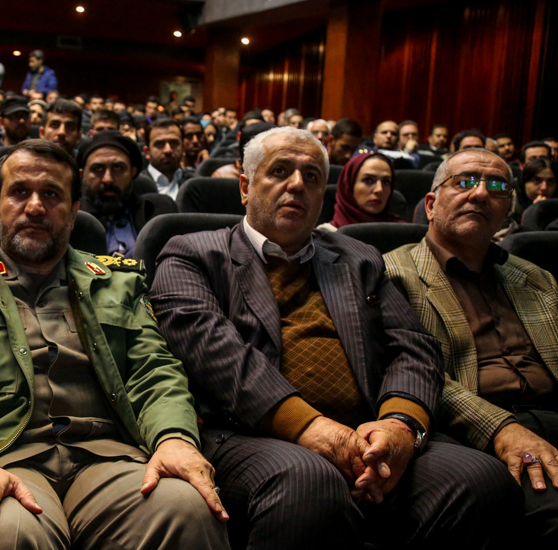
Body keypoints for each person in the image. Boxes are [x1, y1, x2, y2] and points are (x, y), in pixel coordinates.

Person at [150, 126, 522, 550]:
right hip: (248, 435)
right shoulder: (192, 254)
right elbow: (218, 358)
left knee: (482, 481)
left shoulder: (357, 257)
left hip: (368, 432)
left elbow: (414, 348)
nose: (297, 184)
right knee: (310, 484)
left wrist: (400, 426)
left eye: (311, 176)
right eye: (280, 171)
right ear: (245, 187)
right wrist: (315, 430)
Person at [0, 138, 230, 550]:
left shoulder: (116, 281)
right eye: (20, 192)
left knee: (187, 507)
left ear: (73, 213)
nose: (35, 207)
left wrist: (173, 438)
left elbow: (155, 370)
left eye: (52, 194)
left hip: (109, 457)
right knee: (3, 531)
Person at [384, 148, 558, 544]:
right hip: (472, 432)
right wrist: (501, 429)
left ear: (508, 208)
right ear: (431, 204)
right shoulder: (392, 274)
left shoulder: (536, 278)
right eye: (464, 182)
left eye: (497, 186)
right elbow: (414, 375)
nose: (480, 193)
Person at [78, 131, 175, 257]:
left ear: (132, 172)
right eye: (98, 168)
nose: (108, 179)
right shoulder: (71, 219)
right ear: (82, 175)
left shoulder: (158, 212)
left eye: (118, 168)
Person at [318, 151, 403, 232]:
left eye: (386, 182)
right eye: (368, 180)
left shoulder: (402, 231)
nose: (379, 189)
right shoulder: (327, 234)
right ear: (349, 186)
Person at [139, 119, 193, 199]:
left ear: (183, 148)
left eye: (174, 143)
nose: (168, 150)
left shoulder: (196, 184)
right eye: (160, 144)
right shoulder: (134, 186)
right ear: (147, 152)